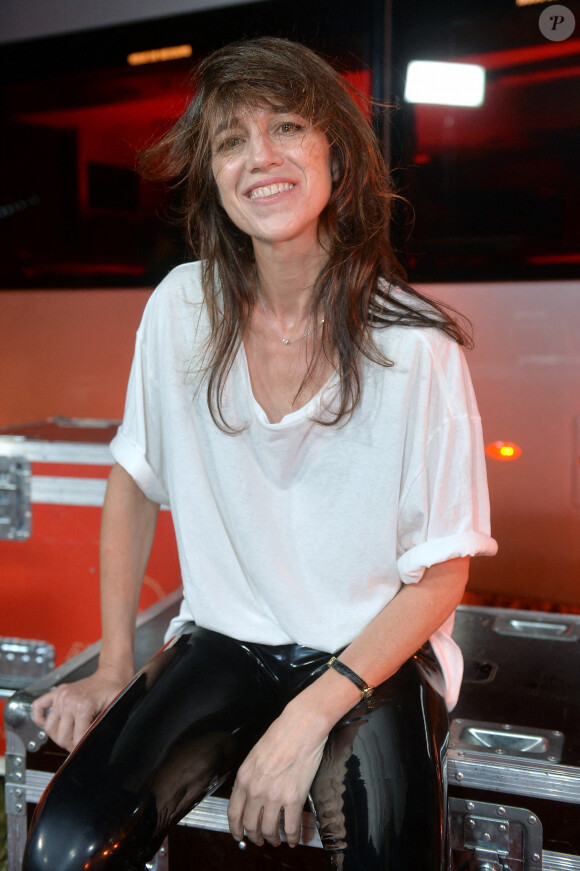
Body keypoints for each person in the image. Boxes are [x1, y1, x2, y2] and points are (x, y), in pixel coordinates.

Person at [23, 37, 497, 871]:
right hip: (225, 641)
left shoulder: (416, 346)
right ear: (211, 175)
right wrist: (116, 666)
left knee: (392, 856)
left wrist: (307, 717)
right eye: (230, 140)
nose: (260, 158)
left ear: (336, 157)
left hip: (370, 652)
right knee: (64, 843)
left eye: (286, 127)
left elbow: (443, 576)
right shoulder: (179, 307)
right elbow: (135, 480)